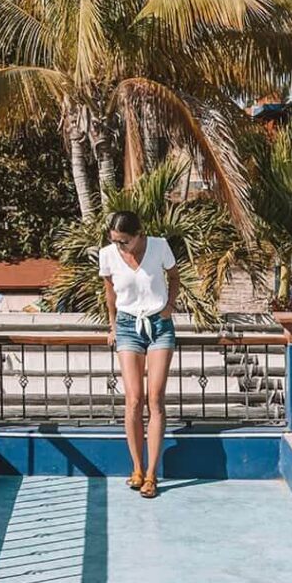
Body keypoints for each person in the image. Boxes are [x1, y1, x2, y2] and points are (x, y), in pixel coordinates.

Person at [99, 210, 179, 499]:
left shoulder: (159, 246)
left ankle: (152, 474)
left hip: (159, 324)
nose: (120, 246)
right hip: (127, 325)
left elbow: (174, 277)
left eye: (124, 241)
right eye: (115, 241)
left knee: (155, 398)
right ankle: (137, 468)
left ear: (138, 235)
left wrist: (169, 306)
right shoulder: (107, 255)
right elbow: (109, 293)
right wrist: (112, 326)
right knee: (134, 398)